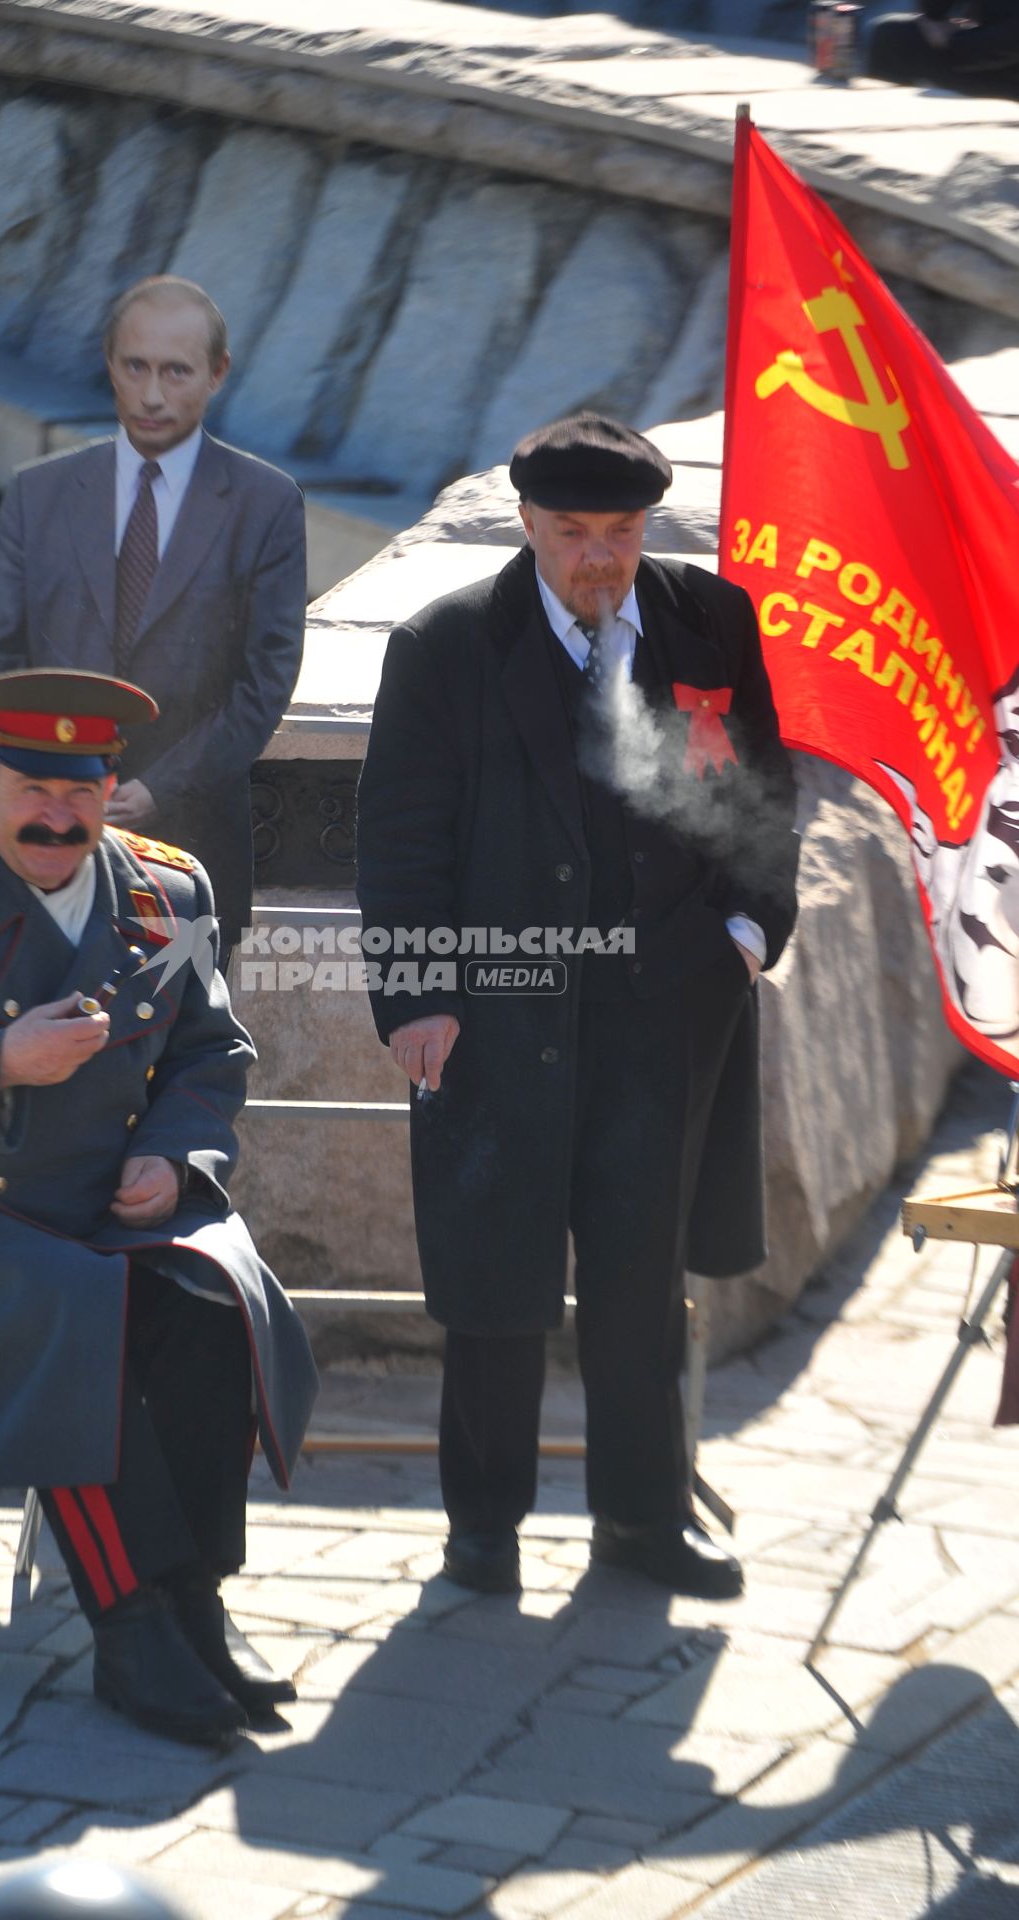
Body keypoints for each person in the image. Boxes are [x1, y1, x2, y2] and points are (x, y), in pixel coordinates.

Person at [0, 668, 318, 1745]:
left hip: (101, 1196)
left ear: (110, 787)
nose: (56, 816)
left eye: (81, 792)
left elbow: (208, 1052)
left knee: (215, 1300)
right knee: (80, 1313)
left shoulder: (167, 893)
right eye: (31, 787)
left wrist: (175, 1158)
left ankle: (195, 1602)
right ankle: (130, 1626)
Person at [355, 413, 799, 1600]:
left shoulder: (711, 621)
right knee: (493, 1282)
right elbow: (400, 845)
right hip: (496, 1020)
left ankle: (641, 1528)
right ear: (526, 524)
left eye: (620, 530)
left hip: (668, 1013)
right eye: (571, 533)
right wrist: (415, 998)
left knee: (638, 1282)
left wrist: (748, 936)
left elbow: (762, 789)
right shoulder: (443, 648)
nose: (598, 557)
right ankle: (482, 1531)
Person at [0, 275, 307, 955]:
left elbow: (265, 681)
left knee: (188, 1054)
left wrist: (157, 789)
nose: (153, 394)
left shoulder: (265, 504)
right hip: (47, 843)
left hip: (192, 852)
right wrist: (63, 787)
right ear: (110, 364)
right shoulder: (39, 495)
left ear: (217, 374)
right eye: (136, 367)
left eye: (176, 372)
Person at [865, 0, 1019, 96]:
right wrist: (936, 24)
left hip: (1002, 59)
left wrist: (953, 41)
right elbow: (934, 11)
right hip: (979, 49)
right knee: (892, 34)